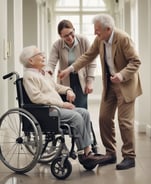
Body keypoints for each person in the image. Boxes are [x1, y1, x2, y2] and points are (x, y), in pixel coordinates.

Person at [58, 14, 143, 170]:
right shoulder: (100, 40)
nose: (95, 33)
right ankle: (111, 154)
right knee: (104, 118)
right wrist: (69, 69)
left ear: (108, 29)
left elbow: (136, 61)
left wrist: (122, 74)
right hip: (110, 84)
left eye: (98, 31)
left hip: (126, 84)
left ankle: (129, 157)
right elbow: (88, 56)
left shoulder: (123, 38)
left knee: (124, 122)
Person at [19, 45, 107, 168]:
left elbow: (55, 87)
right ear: (31, 60)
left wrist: (68, 90)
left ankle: (87, 151)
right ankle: (84, 153)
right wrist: (62, 104)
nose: (43, 56)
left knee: (84, 113)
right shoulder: (29, 76)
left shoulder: (42, 73)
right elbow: (36, 98)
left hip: (55, 108)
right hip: (47, 112)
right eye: (39, 54)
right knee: (76, 117)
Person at [47, 19, 96, 109]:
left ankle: (82, 123)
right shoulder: (57, 45)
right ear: (60, 36)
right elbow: (51, 63)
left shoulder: (83, 41)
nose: (70, 37)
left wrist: (90, 82)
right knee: (67, 109)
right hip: (64, 81)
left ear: (74, 30)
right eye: (65, 36)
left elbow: (91, 61)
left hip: (81, 80)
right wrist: (48, 73)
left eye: (71, 33)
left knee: (81, 108)